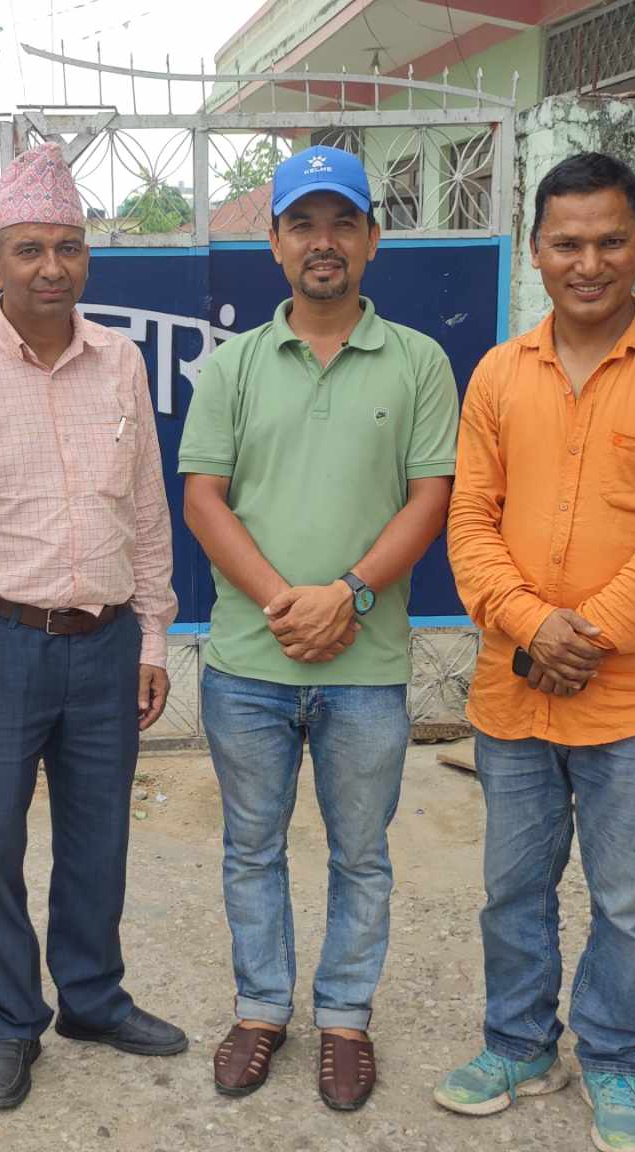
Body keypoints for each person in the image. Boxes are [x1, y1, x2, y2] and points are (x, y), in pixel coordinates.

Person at [436, 151, 635, 1152]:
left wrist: (590, 634)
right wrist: (532, 626)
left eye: (610, 240)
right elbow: (470, 524)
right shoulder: (498, 373)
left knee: (627, 904)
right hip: (515, 694)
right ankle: (519, 1045)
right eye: (566, 243)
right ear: (535, 251)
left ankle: (613, 1063)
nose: (589, 262)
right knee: (512, 893)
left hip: (634, 701)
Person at [0, 141, 186, 1112]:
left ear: (86, 258)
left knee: (97, 838)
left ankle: (93, 1000)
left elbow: (146, 511)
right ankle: (11, 1020)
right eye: (28, 249)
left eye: (67, 246)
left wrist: (152, 637)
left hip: (105, 645)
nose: (50, 267)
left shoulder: (122, 363)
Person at [178, 145, 458, 1113]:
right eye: (303, 224)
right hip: (249, 664)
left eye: (342, 223)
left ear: (373, 240)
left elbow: (430, 499)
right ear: (275, 244)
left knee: (360, 854)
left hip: (364, 666)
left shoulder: (418, 362)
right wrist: (282, 601)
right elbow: (204, 501)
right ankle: (261, 1008)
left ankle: (344, 1017)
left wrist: (348, 594)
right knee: (250, 848)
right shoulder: (234, 366)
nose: (323, 242)